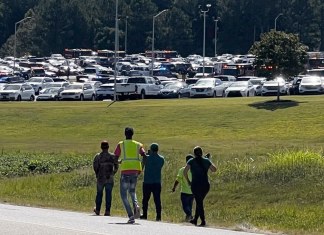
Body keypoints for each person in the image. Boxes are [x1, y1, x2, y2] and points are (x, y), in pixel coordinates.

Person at [114, 127, 147, 224]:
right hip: (135, 171)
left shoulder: (121, 144)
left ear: (125, 134)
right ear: (133, 134)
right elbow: (144, 155)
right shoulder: (138, 145)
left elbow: (115, 158)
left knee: (124, 195)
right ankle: (136, 204)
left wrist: (119, 162)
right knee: (132, 191)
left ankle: (131, 215)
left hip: (125, 171)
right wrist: (142, 167)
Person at [183, 146, 216, 227]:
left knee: (199, 202)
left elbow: (185, 172)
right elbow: (214, 169)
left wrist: (188, 181)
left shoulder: (191, 161)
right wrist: (208, 160)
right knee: (199, 201)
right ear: (202, 152)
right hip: (205, 185)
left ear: (194, 153)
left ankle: (203, 221)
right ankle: (195, 220)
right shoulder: (206, 161)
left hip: (195, 184)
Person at [93, 140, 119, 216]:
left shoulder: (98, 156)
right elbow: (116, 166)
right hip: (109, 178)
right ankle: (107, 211)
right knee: (108, 194)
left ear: (101, 147)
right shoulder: (113, 156)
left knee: (99, 193)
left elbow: (95, 167)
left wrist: (97, 174)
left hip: (100, 178)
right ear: (108, 147)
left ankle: (97, 210)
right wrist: (113, 173)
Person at [140, 143, 165, 221]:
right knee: (157, 199)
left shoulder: (146, 158)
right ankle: (158, 216)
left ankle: (144, 215)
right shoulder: (161, 159)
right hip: (157, 181)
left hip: (147, 181)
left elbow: (142, 167)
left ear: (151, 149)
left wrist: (147, 155)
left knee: (145, 200)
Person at [171, 154, 194, 222]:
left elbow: (177, 180)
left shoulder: (182, 170)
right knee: (189, 206)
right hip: (193, 192)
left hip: (184, 192)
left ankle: (190, 215)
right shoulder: (195, 170)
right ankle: (188, 218)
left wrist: (174, 187)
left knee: (185, 206)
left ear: (186, 161)